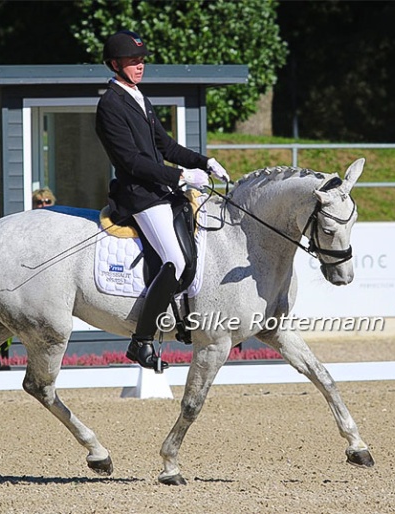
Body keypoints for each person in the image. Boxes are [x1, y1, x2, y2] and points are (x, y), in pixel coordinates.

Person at [95, 30, 230, 371]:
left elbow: (166, 146)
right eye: (132, 61)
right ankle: (140, 342)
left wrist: (204, 161)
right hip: (138, 196)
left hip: (159, 191)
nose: (140, 66)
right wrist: (181, 177)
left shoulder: (138, 96)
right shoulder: (110, 105)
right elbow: (131, 162)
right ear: (115, 64)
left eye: (141, 60)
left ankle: (184, 317)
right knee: (175, 259)